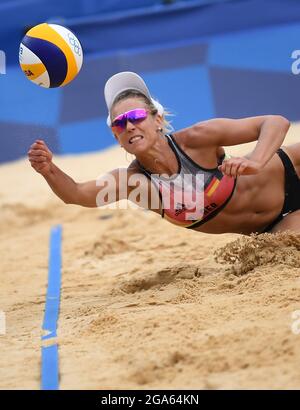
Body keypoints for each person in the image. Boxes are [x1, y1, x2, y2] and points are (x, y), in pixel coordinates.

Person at [28, 71, 300, 235]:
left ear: (157, 120)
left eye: (135, 116)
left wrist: (255, 160)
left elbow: (275, 122)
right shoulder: (135, 183)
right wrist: (48, 169)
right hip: (275, 226)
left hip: (291, 169)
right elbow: (75, 194)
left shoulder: (196, 139)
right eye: (119, 124)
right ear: (116, 137)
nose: (129, 125)